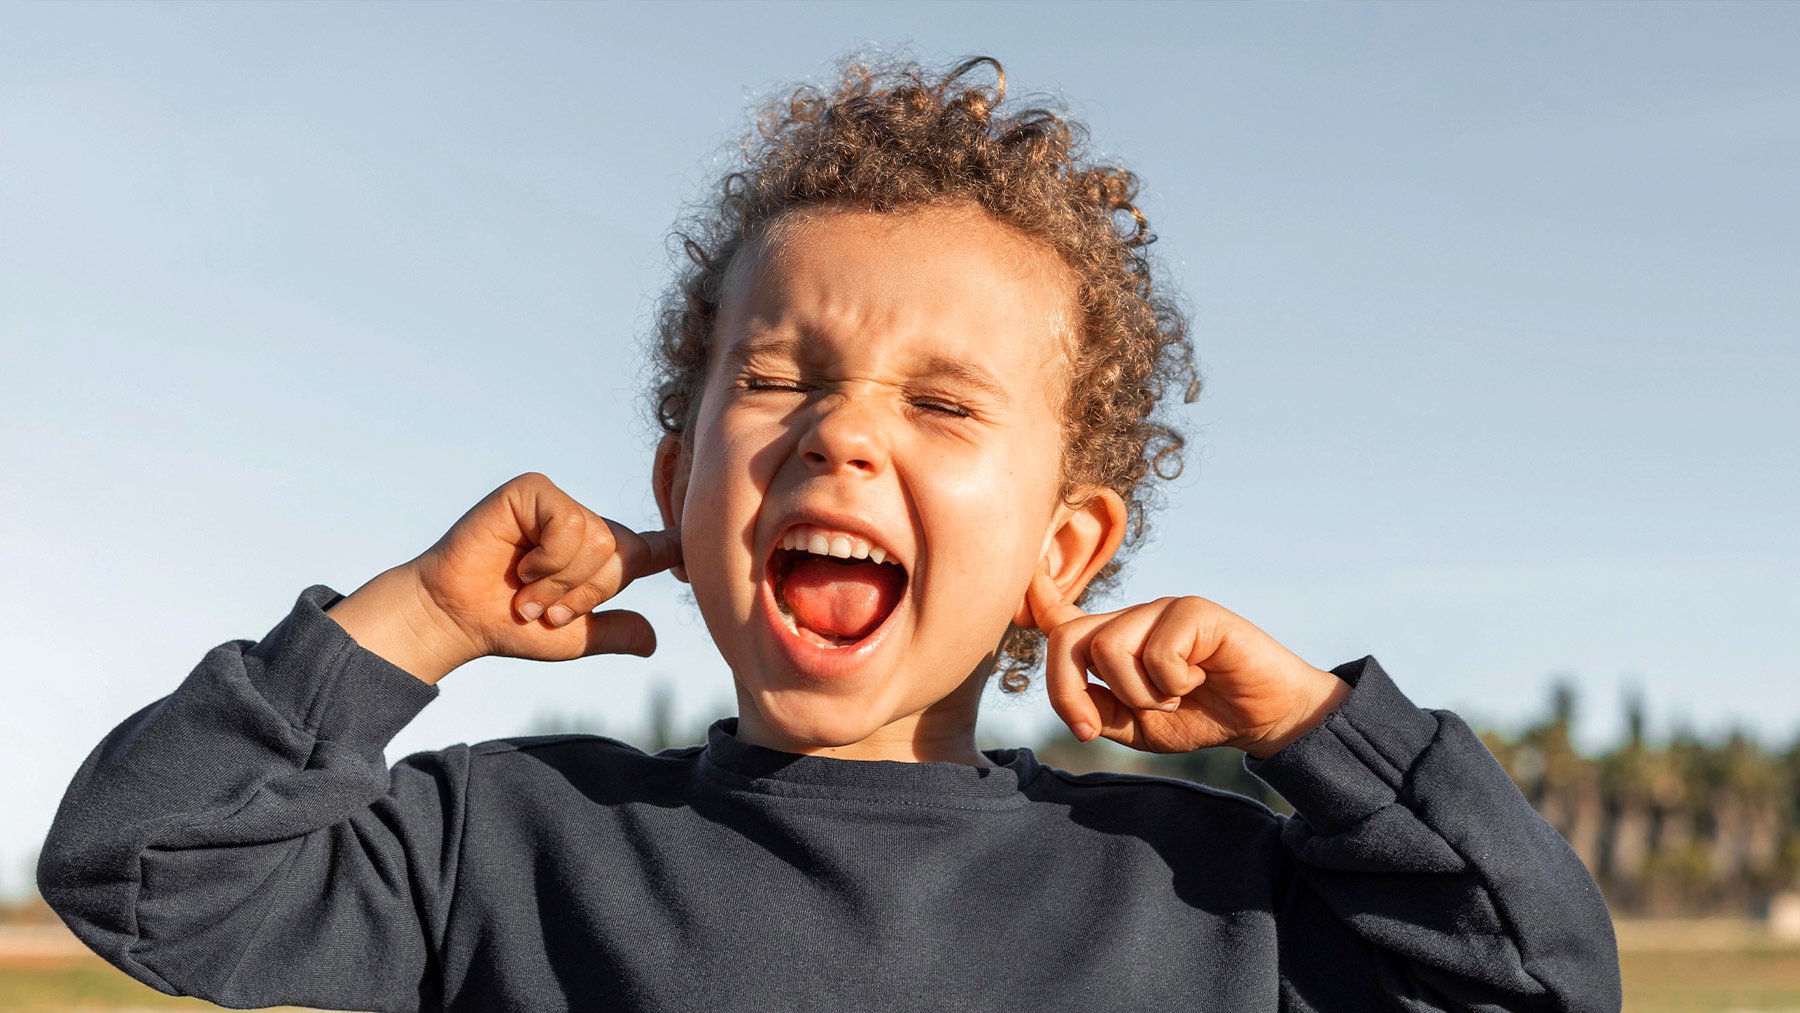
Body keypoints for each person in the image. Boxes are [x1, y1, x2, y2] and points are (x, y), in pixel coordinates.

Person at [38, 55, 1622, 1012]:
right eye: (781, 377)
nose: (842, 429)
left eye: (942, 404)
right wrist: (423, 618)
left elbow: (1539, 981)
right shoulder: (505, 849)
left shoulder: (1203, 895)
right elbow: (140, 865)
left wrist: (1317, 732)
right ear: (678, 487)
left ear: (1062, 551)